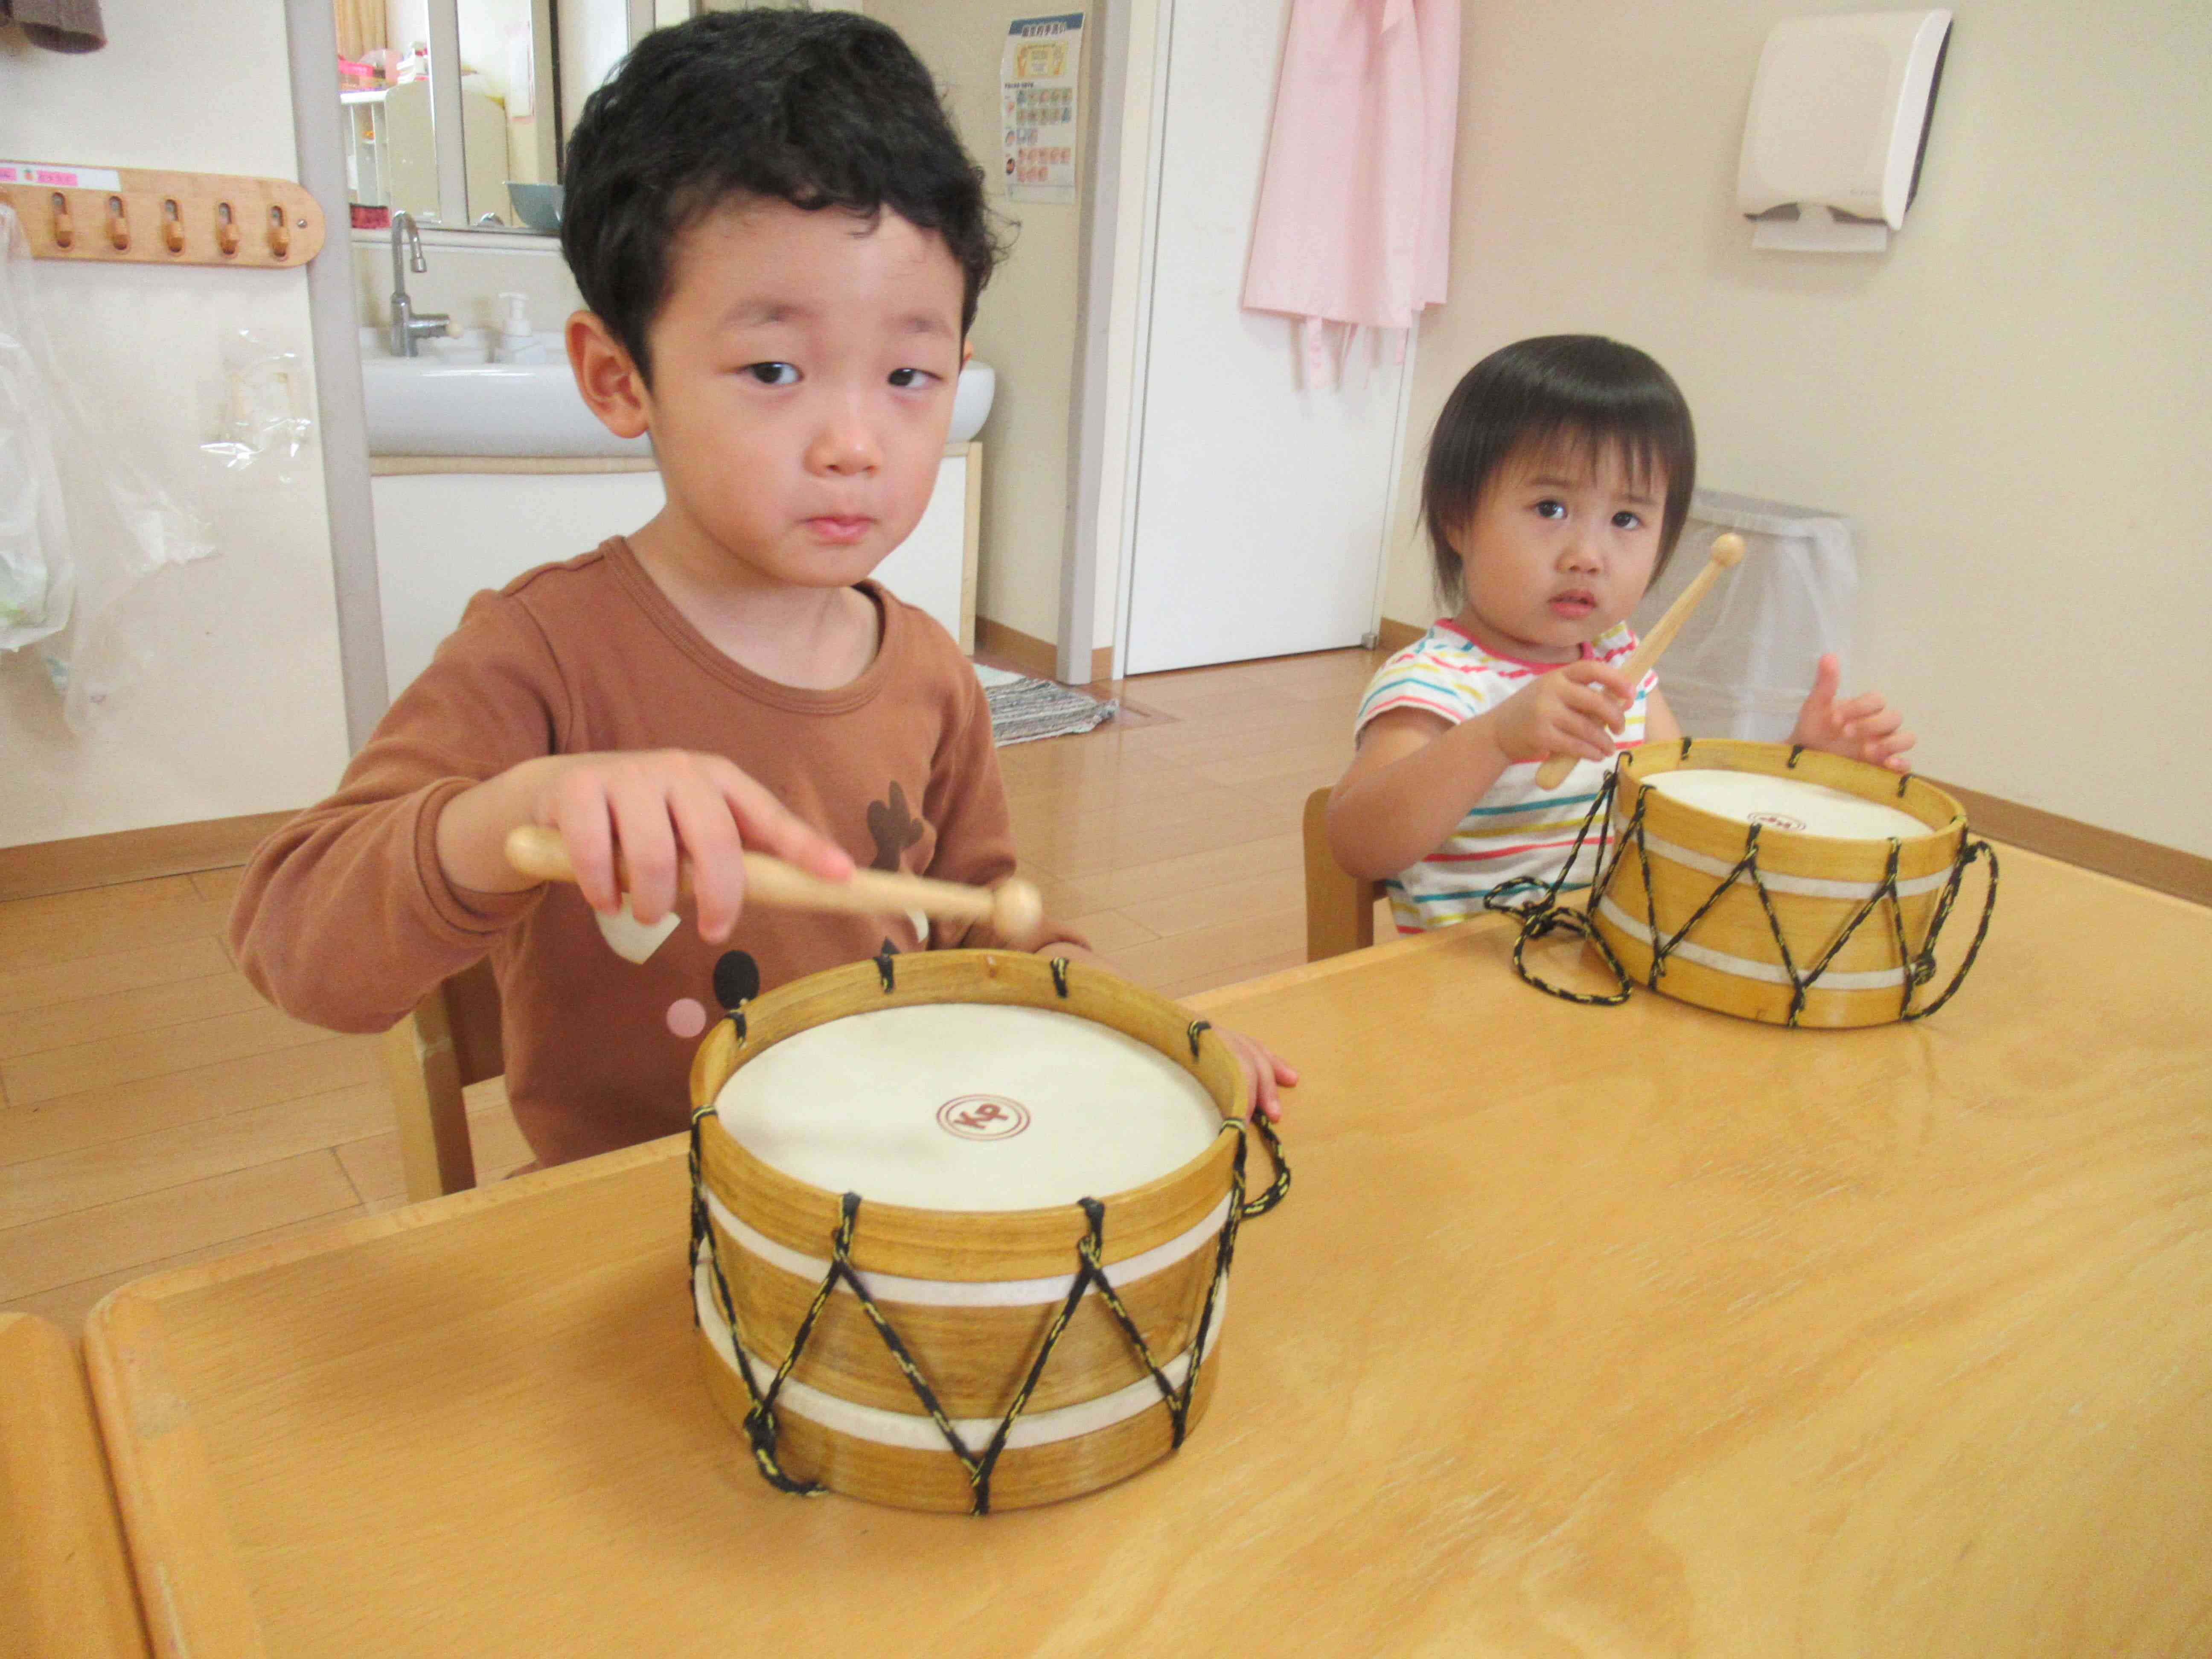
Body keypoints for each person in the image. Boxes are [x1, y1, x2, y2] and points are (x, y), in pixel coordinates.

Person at [231, 11, 1292, 1166]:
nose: (854, 441)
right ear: (617, 377)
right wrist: (511, 814)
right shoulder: (539, 657)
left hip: (885, 1181)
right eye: (774, 369)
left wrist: (1146, 1031)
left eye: (908, 374)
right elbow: (298, 946)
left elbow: (991, 928)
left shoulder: (931, 672)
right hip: (635, 1212)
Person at [1328, 334, 1913, 934]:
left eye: (1626, 519)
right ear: (1458, 518)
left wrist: (1797, 770)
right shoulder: (1433, 682)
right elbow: (1358, 845)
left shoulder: (1623, 662)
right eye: (1551, 508)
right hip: (1468, 992)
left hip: (1612, 955)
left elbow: (1679, 813)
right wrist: (1495, 739)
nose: (1588, 555)